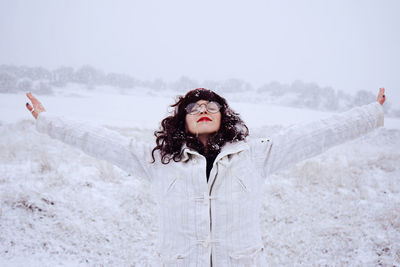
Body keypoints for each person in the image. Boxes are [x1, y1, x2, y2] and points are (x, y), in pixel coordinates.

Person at [25, 87, 386, 266]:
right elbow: (101, 141)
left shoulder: (254, 155)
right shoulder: (160, 161)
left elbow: (314, 134)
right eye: (193, 108)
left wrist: (371, 114)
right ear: (181, 118)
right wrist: (48, 121)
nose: (202, 110)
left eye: (211, 107)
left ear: (223, 116)